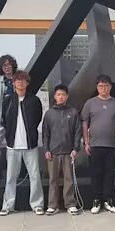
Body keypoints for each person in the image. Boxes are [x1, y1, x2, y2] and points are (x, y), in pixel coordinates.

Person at [0, 70, 44, 216]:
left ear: (27, 83)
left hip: (30, 145)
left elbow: (37, 118)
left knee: (35, 176)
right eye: (17, 80)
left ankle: (37, 204)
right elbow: (4, 120)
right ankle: (8, 205)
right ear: (13, 83)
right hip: (12, 145)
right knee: (10, 177)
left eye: (23, 80)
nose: (20, 83)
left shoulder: (34, 100)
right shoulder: (8, 101)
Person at [81, 75, 115, 214]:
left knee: (109, 174)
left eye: (106, 86)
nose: (103, 88)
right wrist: (86, 142)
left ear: (110, 87)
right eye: (101, 86)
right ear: (97, 87)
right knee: (96, 173)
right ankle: (96, 200)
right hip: (94, 145)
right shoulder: (90, 103)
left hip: (112, 145)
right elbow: (84, 123)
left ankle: (108, 200)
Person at [42, 84, 82, 215]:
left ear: (67, 96)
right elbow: (45, 134)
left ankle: (70, 204)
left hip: (68, 152)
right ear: (55, 96)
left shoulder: (73, 112)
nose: (60, 97)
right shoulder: (49, 114)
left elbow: (77, 132)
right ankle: (52, 205)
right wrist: (46, 149)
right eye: (58, 94)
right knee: (53, 180)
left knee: (68, 179)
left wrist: (76, 148)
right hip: (53, 152)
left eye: (63, 94)